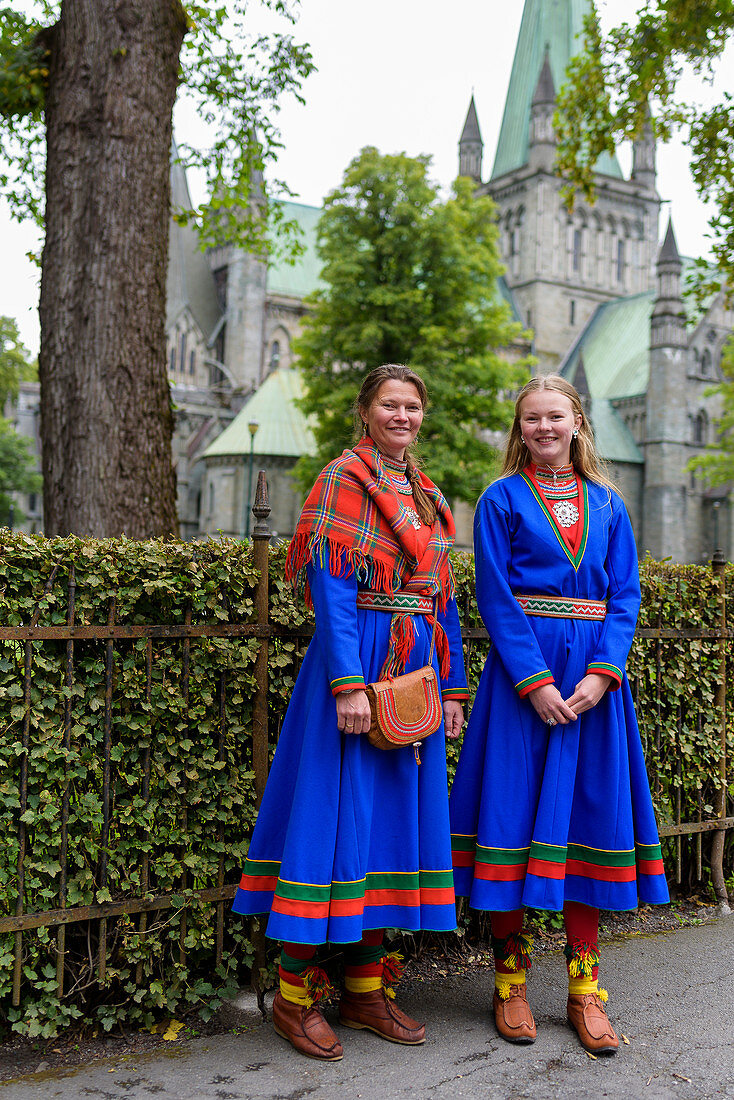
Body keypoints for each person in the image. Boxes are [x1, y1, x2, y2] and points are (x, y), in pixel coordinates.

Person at [232, 364, 469, 1061]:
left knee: (388, 833)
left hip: (414, 674)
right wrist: (346, 685)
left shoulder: (428, 496)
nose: (402, 416)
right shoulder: (341, 480)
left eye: (412, 407)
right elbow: (331, 591)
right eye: (390, 405)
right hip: (359, 669)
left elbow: (442, 602)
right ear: (365, 411)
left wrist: (452, 690)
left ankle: (365, 989)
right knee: (332, 827)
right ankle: (296, 997)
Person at [449, 374, 669, 1055]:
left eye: (555, 416)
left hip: (595, 693)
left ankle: (584, 990)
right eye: (531, 420)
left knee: (586, 827)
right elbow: (494, 594)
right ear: (520, 431)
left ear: (577, 422)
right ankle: (510, 981)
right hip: (526, 688)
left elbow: (625, 595)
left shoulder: (608, 503)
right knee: (511, 823)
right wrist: (534, 682)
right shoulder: (500, 499)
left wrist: (603, 677)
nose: (543, 428)